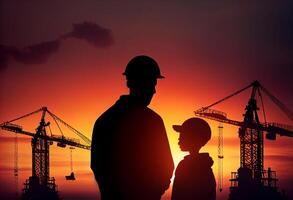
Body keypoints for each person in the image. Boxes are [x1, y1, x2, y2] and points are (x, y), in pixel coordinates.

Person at [91, 55, 174, 200]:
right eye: (151, 84)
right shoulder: (152, 122)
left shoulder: (104, 120)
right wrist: (153, 193)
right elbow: (166, 166)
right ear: (137, 83)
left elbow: (99, 167)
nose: (154, 91)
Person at [172, 117, 216, 200]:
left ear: (193, 138)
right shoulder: (206, 167)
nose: (179, 139)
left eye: (182, 135)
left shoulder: (185, 166)